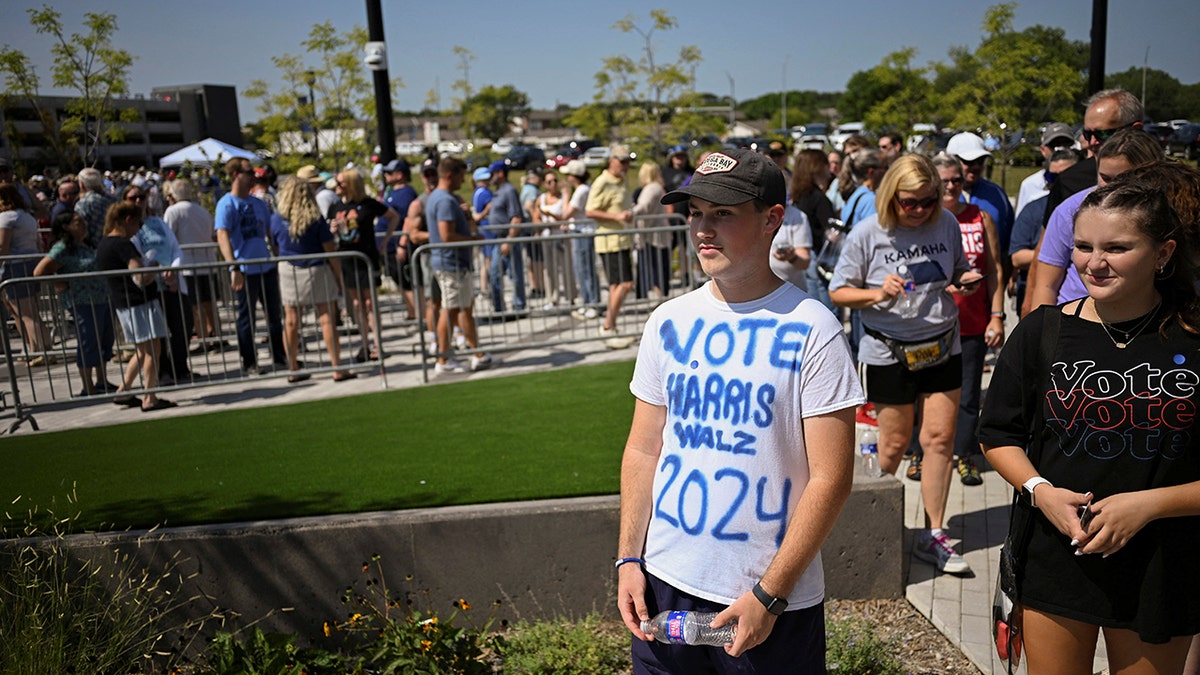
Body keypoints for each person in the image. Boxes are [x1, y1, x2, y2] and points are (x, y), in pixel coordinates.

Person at [617, 147, 863, 673]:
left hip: (766, 602)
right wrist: (628, 560)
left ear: (773, 219)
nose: (704, 229)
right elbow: (643, 449)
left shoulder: (812, 328)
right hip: (664, 584)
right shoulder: (668, 320)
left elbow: (833, 478)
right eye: (696, 214)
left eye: (723, 214)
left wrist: (769, 595)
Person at [978, 175, 1200, 674]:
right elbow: (997, 435)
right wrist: (1040, 490)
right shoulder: (1043, 330)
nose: (1093, 263)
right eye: (1082, 246)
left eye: (1117, 248)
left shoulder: (1193, 336)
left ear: (1163, 253)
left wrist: (1148, 505)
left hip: (1161, 569)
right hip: (1057, 558)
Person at [829, 154, 982, 575]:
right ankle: (868, 525)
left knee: (938, 441)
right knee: (893, 446)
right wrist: (877, 294)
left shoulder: (946, 223)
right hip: (887, 349)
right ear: (891, 196)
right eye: (908, 202)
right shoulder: (868, 233)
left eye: (927, 201)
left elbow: (958, 269)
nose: (918, 211)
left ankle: (934, 534)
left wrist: (967, 282)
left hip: (942, 344)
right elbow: (839, 291)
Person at [1030, 128, 1165, 310]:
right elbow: (1046, 285)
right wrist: (1045, 333)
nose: (1111, 187)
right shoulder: (1069, 211)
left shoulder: (1166, 213)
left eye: (1117, 248)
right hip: (1075, 323)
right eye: (1104, 178)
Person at [932, 153, 1005, 486]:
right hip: (931, 326)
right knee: (928, 393)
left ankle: (964, 456)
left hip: (973, 323)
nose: (950, 186)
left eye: (956, 180)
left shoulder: (981, 217)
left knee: (969, 395)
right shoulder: (924, 219)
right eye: (944, 180)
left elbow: (995, 271)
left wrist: (997, 316)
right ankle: (924, 455)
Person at [269, 176, 354, 383]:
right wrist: (338, 276)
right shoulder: (315, 219)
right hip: (317, 269)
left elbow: (276, 247)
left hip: (289, 269)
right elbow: (329, 250)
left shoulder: (277, 219)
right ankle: (337, 367)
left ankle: (293, 368)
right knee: (326, 318)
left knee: (291, 320)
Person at [97, 202, 175, 412]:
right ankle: (150, 397)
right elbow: (140, 278)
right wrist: (155, 268)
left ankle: (124, 390)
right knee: (152, 349)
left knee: (142, 350)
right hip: (139, 303)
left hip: (124, 304)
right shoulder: (123, 245)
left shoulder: (104, 244)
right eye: (138, 223)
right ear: (128, 220)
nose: (139, 228)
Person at [215, 157, 286, 376]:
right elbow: (222, 235)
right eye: (248, 172)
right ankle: (250, 362)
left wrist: (277, 255)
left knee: (274, 315)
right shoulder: (227, 204)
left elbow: (269, 233)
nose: (253, 176)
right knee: (247, 319)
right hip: (245, 270)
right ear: (236, 174)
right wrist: (233, 267)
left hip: (266, 267)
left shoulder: (258, 203)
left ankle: (280, 355)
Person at [34, 212, 114, 395]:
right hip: (82, 301)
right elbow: (39, 272)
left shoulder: (86, 244)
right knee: (88, 340)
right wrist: (60, 283)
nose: (83, 225)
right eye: (78, 222)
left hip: (101, 298)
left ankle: (102, 380)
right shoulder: (62, 248)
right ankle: (88, 385)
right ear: (66, 227)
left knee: (104, 339)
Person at [425, 157, 490, 374]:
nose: (464, 181)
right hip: (450, 263)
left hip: (452, 263)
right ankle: (444, 359)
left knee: (462, 308)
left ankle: (477, 353)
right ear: (451, 175)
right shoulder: (444, 200)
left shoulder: (443, 198)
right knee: (451, 310)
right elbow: (446, 235)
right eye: (461, 176)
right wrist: (473, 239)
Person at [329, 168, 400, 362]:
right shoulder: (335, 206)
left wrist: (385, 241)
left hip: (366, 257)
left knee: (370, 302)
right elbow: (331, 232)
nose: (337, 186)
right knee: (357, 303)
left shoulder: (368, 204)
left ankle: (377, 344)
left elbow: (393, 216)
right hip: (347, 257)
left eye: (341, 183)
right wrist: (332, 229)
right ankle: (365, 344)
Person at [1010, 149, 1080, 313]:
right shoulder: (1033, 210)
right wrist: (1055, 256)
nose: (1057, 184)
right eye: (1051, 177)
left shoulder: (1091, 208)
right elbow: (1017, 257)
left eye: (1065, 177)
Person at [163, 178, 223, 354]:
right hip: (207, 262)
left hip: (188, 265)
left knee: (194, 306)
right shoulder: (202, 211)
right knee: (208, 302)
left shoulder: (172, 212)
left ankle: (205, 339)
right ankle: (215, 335)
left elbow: (168, 238)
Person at [586, 144, 636, 349]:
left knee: (619, 285)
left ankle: (610, 326)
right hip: (609, 240)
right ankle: (608, 326)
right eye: (622, 161)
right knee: (624, 284)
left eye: (627, 161)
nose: (626, 165)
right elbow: (590, 211)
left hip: (621, 239)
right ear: (612, 160)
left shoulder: (621, 180)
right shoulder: (602, 182)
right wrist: (616, 216)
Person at [945, 132, 1016, 265]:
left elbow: (1008, 243)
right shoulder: (937, 196)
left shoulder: (997, 195)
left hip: (987, 279)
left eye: (981, 161)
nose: (976, 166)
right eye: (969, 162)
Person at [0, 182, 51, 364]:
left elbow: (2, 247)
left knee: (26, 313)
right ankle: (39, 348)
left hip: (15, 266)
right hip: (31, 263)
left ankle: (42, 352)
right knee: (29, 311)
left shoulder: (6, 218)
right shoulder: (27, 216)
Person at [790, 149, 838, 313]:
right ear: (818, 167)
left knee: (813, 309)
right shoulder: (818, 198)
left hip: (807, 258)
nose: (829, 169)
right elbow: (831, 232)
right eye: (826, 164)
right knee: (829, 311)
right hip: (822, 259)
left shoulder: (798, 197)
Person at [484, 160, 527, 313]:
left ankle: (519, 306)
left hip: (507, 238)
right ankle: (499, 307)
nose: (490, 177)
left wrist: (509, 241)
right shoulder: (497, 191)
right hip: (498, 239)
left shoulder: (509, 191)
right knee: (494, 274)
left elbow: (516, 217)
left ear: (500, 173)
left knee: (514, 274)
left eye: (492, 174)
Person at [560, 159, 600, 318]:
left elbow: (566, 213)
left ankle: (592, 303)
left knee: (585, 269)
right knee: (581, 269)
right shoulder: (584, 189)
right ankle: (587, 301)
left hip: (583, 233)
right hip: (579, 231)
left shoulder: (582, 190)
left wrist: (565, 195)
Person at [380, 159, 418, 322]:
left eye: (389, 172)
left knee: (405, 281)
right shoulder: (390, 191)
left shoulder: (407, 193)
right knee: (400, 281)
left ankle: (416, 313)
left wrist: (402, 243)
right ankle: (411, 312)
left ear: (400, 175)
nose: (386, 175)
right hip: (388, 245)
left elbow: (409, 220)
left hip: (398, 246)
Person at [532, 168, 574, 309]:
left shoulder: (563, 199)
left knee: (566, 267)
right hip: (547, 236)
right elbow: (536, 218)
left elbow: (564, 218)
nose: (553, 184)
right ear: (545, 184)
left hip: (561, 236)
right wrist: (543, 224)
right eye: (549, 181)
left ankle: (570, 296)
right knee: (549, 269)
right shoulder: (541, 199)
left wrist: (551, 216)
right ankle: (553, 297)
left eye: (555, 180)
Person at [1014, 123, 1076, 218]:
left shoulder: (1084, 181)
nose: (1059, 149)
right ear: (1043, 150)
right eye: (1054, 145)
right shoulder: (1029, 185)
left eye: (1066, 144)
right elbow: (1022, 222)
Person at [631, 161, 671, 300]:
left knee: (656, 267)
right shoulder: (656, 187)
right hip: (653, 233)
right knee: (656, 266)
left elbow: (644, 206)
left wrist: (628, 213)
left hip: (654, 236)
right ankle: (659, 296)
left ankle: (661, 297)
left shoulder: (652, 187)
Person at [75, 167, 116, 246]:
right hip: (114, 246)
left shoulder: (82, 204)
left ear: (81, 185)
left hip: (93, 249)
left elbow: (80, 231)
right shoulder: (114, 200)